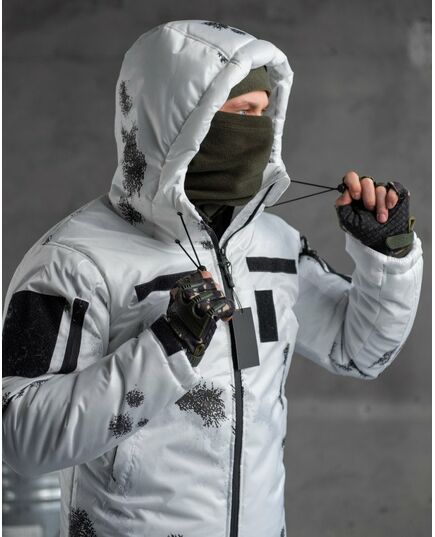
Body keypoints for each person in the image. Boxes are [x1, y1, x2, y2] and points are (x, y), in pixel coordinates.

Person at [2, 19, 423, 537]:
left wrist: (387, 255)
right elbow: (20, 438)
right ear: (182, 119)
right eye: (242, 113)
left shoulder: (272, 244)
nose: (258, 131)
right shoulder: (75, 260)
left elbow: (359, 351)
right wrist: (166, 347)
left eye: (264, 114)